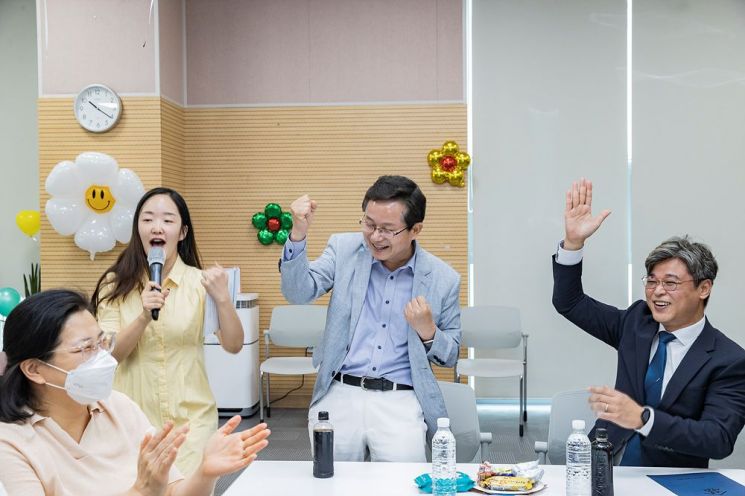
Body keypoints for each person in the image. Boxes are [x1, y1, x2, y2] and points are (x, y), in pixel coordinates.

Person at [552, 178, 745, 467]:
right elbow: (570, 302)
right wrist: (573, 244)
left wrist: (644, 419)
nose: (657, 291)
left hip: (667, 475)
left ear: (704, 288)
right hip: (603, 463)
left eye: (670, 283)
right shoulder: (636, 322)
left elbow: (717, 438)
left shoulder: (728, 359)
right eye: (652, 281)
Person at [0, 289, 270, 495]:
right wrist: (141, 491)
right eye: (85, 349)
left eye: (101, 342)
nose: (102, 357)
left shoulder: (118, 407)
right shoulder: (11, 442)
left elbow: (173, 491)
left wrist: (205, 472)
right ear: (34, 369)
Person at [280, 175, 461, 462]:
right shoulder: (344, 249)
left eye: (388, 229)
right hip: (340, 391)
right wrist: (298, 234)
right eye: (369, 224)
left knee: (404, 486)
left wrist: (429, 332)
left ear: (415, 229)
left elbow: (450, 355)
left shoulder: (443, 278)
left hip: (400, 398)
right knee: (331, 484)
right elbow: (298, 293)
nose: (375, 236)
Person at [91, 187, 245, 475]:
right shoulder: (115, 285)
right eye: (147, 219)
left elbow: (234, 345)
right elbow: (107, 357)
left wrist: (223, 299)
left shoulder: (202, 284)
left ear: (183, 232)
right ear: (137, 229)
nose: (157, 227)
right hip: (131, 422)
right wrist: (142, 317)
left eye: (167, 220)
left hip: (191, 422)